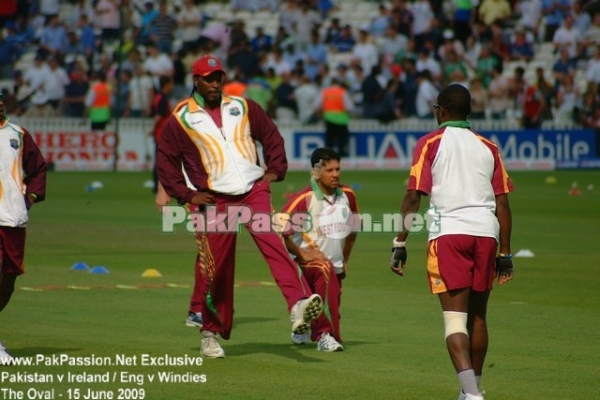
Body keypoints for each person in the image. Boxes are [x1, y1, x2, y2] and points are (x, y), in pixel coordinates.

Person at [155, 55, 323, 359]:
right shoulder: (180, 117)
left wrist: (274, 171)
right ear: (196, 81)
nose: (216, 83)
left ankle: (298, 304)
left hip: (252, 191)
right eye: (209, 78)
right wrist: (187, 196)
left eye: (218, 77)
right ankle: (209, 332)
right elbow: (166, 160)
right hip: (214, 200)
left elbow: (271, 136)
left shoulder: (243, 107)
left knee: (274, 245)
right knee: (216, 268)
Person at [390, 84, 514, 399]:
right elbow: (503, 204)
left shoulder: (429, 143)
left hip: (449, 234)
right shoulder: (489, 147)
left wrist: (400, 243)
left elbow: (412, 197)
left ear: (442, 110)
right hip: (486, 234)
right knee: (479, 317)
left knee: (454, 321)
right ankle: (472, 389)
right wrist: (506, 252)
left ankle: (471, 394)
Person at [281, 148, 359, 352]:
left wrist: (346, 259)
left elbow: (353, 230)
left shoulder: (348, 195)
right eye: (329, 170)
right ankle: (325, 335)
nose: (335, 174)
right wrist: (303, 255)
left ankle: (302, 326)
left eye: (337, 169)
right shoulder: (303, 199)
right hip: (305, 265)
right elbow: (281, 233)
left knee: (332, 305)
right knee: (324, 271)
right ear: (316, 172)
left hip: (335, 264)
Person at [0, 91, 47, 365]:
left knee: (8, 282)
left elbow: (38, 168)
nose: (0, 103)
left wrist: (29, 197)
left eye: (1, 98)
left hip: (14, 218)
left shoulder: (18, 134)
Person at [315, 77, 354, 157]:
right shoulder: (342, 92)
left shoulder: (325, 92)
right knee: (341, 141)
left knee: (330, 140)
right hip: (341, 119)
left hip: (329, 118)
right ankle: (342, 156)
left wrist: (321, 114)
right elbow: (350, 107)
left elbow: (316, 105)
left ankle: (329, 157)